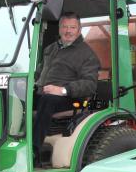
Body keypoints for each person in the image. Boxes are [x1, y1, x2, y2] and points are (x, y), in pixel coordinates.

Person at [32, 12, 100, 164]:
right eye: (65, 27)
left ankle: (33, 150)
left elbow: (90, 84)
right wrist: (28, 84)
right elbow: (38, 73)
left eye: (72, 27)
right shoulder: (51, 49)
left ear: (79, 30)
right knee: (12, 98)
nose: (68, 31)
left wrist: (63, 90)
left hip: (71, 98)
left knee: (47, 100)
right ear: (59, 29)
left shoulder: (86, 54)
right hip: (44, 92)